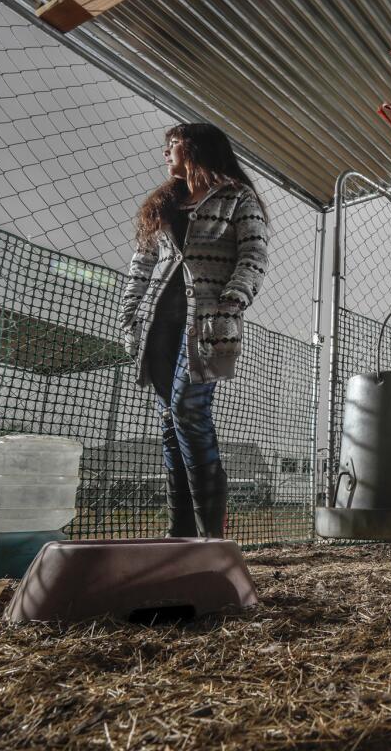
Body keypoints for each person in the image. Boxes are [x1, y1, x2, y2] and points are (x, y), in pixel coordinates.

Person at [119, 123, 269, 539]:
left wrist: (234, 298)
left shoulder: (238, 197)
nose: (166, 152)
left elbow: (253, 252)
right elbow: (141, 265)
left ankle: (211, 537)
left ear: (198, 148)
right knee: (170, 421)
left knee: (188, 409)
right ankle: (180, 535)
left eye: (174, 144)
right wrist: (129, 316)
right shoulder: (164, 204)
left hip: (206, 324)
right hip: (157, 325)